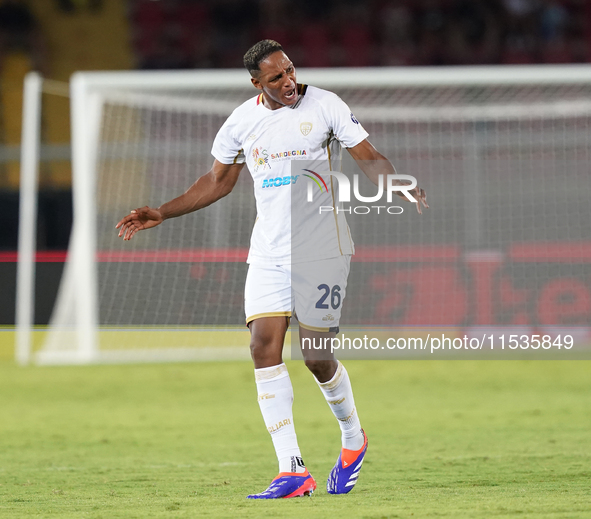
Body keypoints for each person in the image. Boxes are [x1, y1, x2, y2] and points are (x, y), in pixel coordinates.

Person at [116, 39, 428, 499]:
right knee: (263, 348)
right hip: (268, 252)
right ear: (256, 83)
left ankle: (353, 439)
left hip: (324, 246)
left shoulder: (325, 105)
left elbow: (368, 156)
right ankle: (292, 469)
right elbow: (217, 181)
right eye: (276, 77)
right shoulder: (242, 121)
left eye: (290, 70)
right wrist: (163, 211)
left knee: (316, 357)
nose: (289, 82)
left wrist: (396, 183)